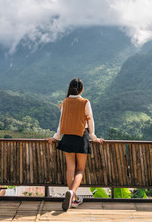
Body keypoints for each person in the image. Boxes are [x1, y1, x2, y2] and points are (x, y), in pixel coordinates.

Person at [46, 78, 105, 211]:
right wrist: (94, 137)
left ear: (70, 88)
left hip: (67, 138)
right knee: (80, 170)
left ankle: (73, 198)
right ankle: (72, 194)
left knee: (70, 169)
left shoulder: (65, 102)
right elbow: (90, 121)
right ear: (82, 89)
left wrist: (56, 137)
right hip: (81, 137)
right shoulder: (85, 102)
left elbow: (61, 122)